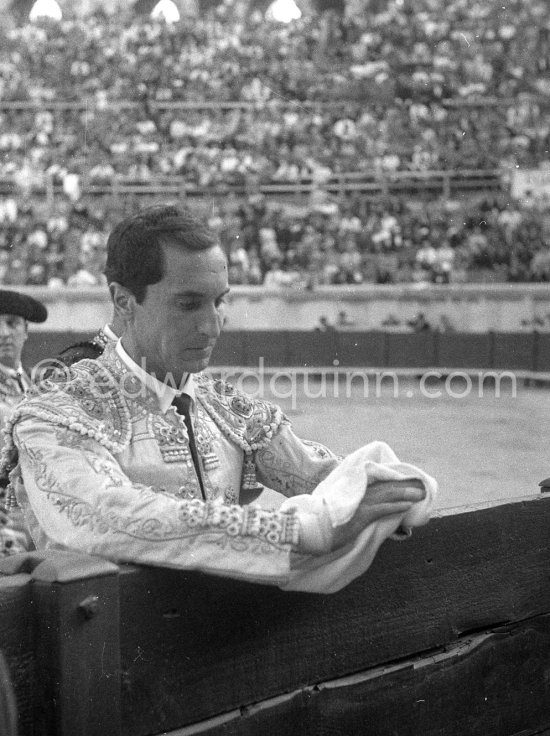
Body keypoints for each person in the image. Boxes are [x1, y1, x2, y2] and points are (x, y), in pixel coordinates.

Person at [1, 205, 435, 593]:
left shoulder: (228, 408)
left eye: (220, 302)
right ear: (123, 301)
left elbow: (318, 473)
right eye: (189, 304)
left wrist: (377, 486)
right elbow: (110, 514)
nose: (212, 327)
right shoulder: (59, 411)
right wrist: (304, 530)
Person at [0, 290, 47, 555]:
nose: (3, 333)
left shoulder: (36, 386)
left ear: (26, 330)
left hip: (37, 517)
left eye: (12, 323)